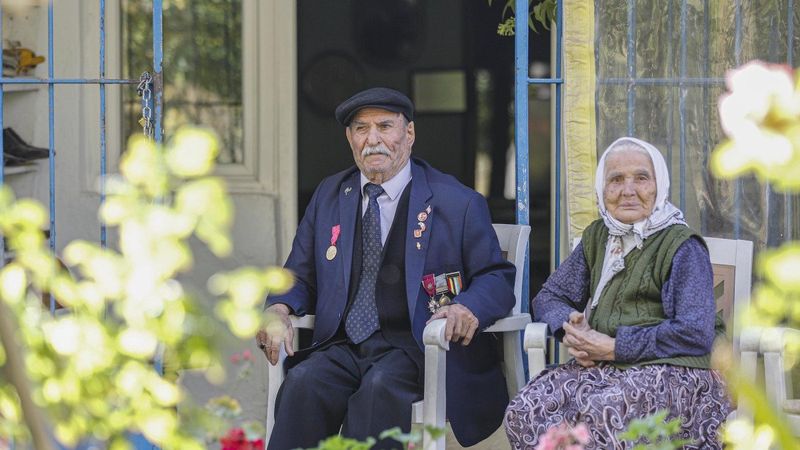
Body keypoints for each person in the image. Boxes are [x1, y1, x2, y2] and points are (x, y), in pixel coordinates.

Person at [257, 87, 516, 449]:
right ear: (350, 138)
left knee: (379, 391)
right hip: (344, 343)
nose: (373, 139)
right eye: (361, 129)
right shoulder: (330, 195)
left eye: (384, 126)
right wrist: (278, 307)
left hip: (415, 348)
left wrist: (466, 306)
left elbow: (496, 276)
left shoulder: (457, 202)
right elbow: (298, 274)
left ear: (408, 134)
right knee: (303, 382)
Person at [504, 137, 732, 449]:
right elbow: (548, 297)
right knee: (525, 410)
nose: (628, 190)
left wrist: (613, 347)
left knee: (603, 412)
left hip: (675, 371)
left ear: (658, 185)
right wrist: (571, 327)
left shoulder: (682, 245)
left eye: (641, 178)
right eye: (616, 180)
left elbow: (695, 332)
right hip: (605, 369)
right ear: (602, 189)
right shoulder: (599, 236)